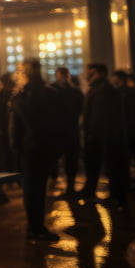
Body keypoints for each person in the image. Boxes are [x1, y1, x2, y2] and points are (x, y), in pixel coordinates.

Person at [11, 60, 63, 240]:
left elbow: (15, 128)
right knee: (38, 188)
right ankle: (37, 227)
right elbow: (57, 124)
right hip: (43, 146)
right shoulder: (49, 93)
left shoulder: (20, 96)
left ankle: (33, 225)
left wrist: (16, 149)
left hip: (28, 148)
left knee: (30, 188)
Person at [78, 63, 129, 208]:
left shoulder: (104, 90)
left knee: (111, 167)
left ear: (100, 73)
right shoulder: (97, 88)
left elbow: (99, 116)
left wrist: (91, 133)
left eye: (90, 72)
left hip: (103, 136)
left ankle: (116, 197)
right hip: (99, 136)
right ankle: (92, 191)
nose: (87, 75)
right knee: (96, 165)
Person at [52, 67, 84, 195]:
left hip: (68, 129)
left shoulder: (73, 91)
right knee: (55, 157)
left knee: (71, 158)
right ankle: (55, 179)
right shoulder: (53, 90)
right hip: (60, 129)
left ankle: (70, 184)